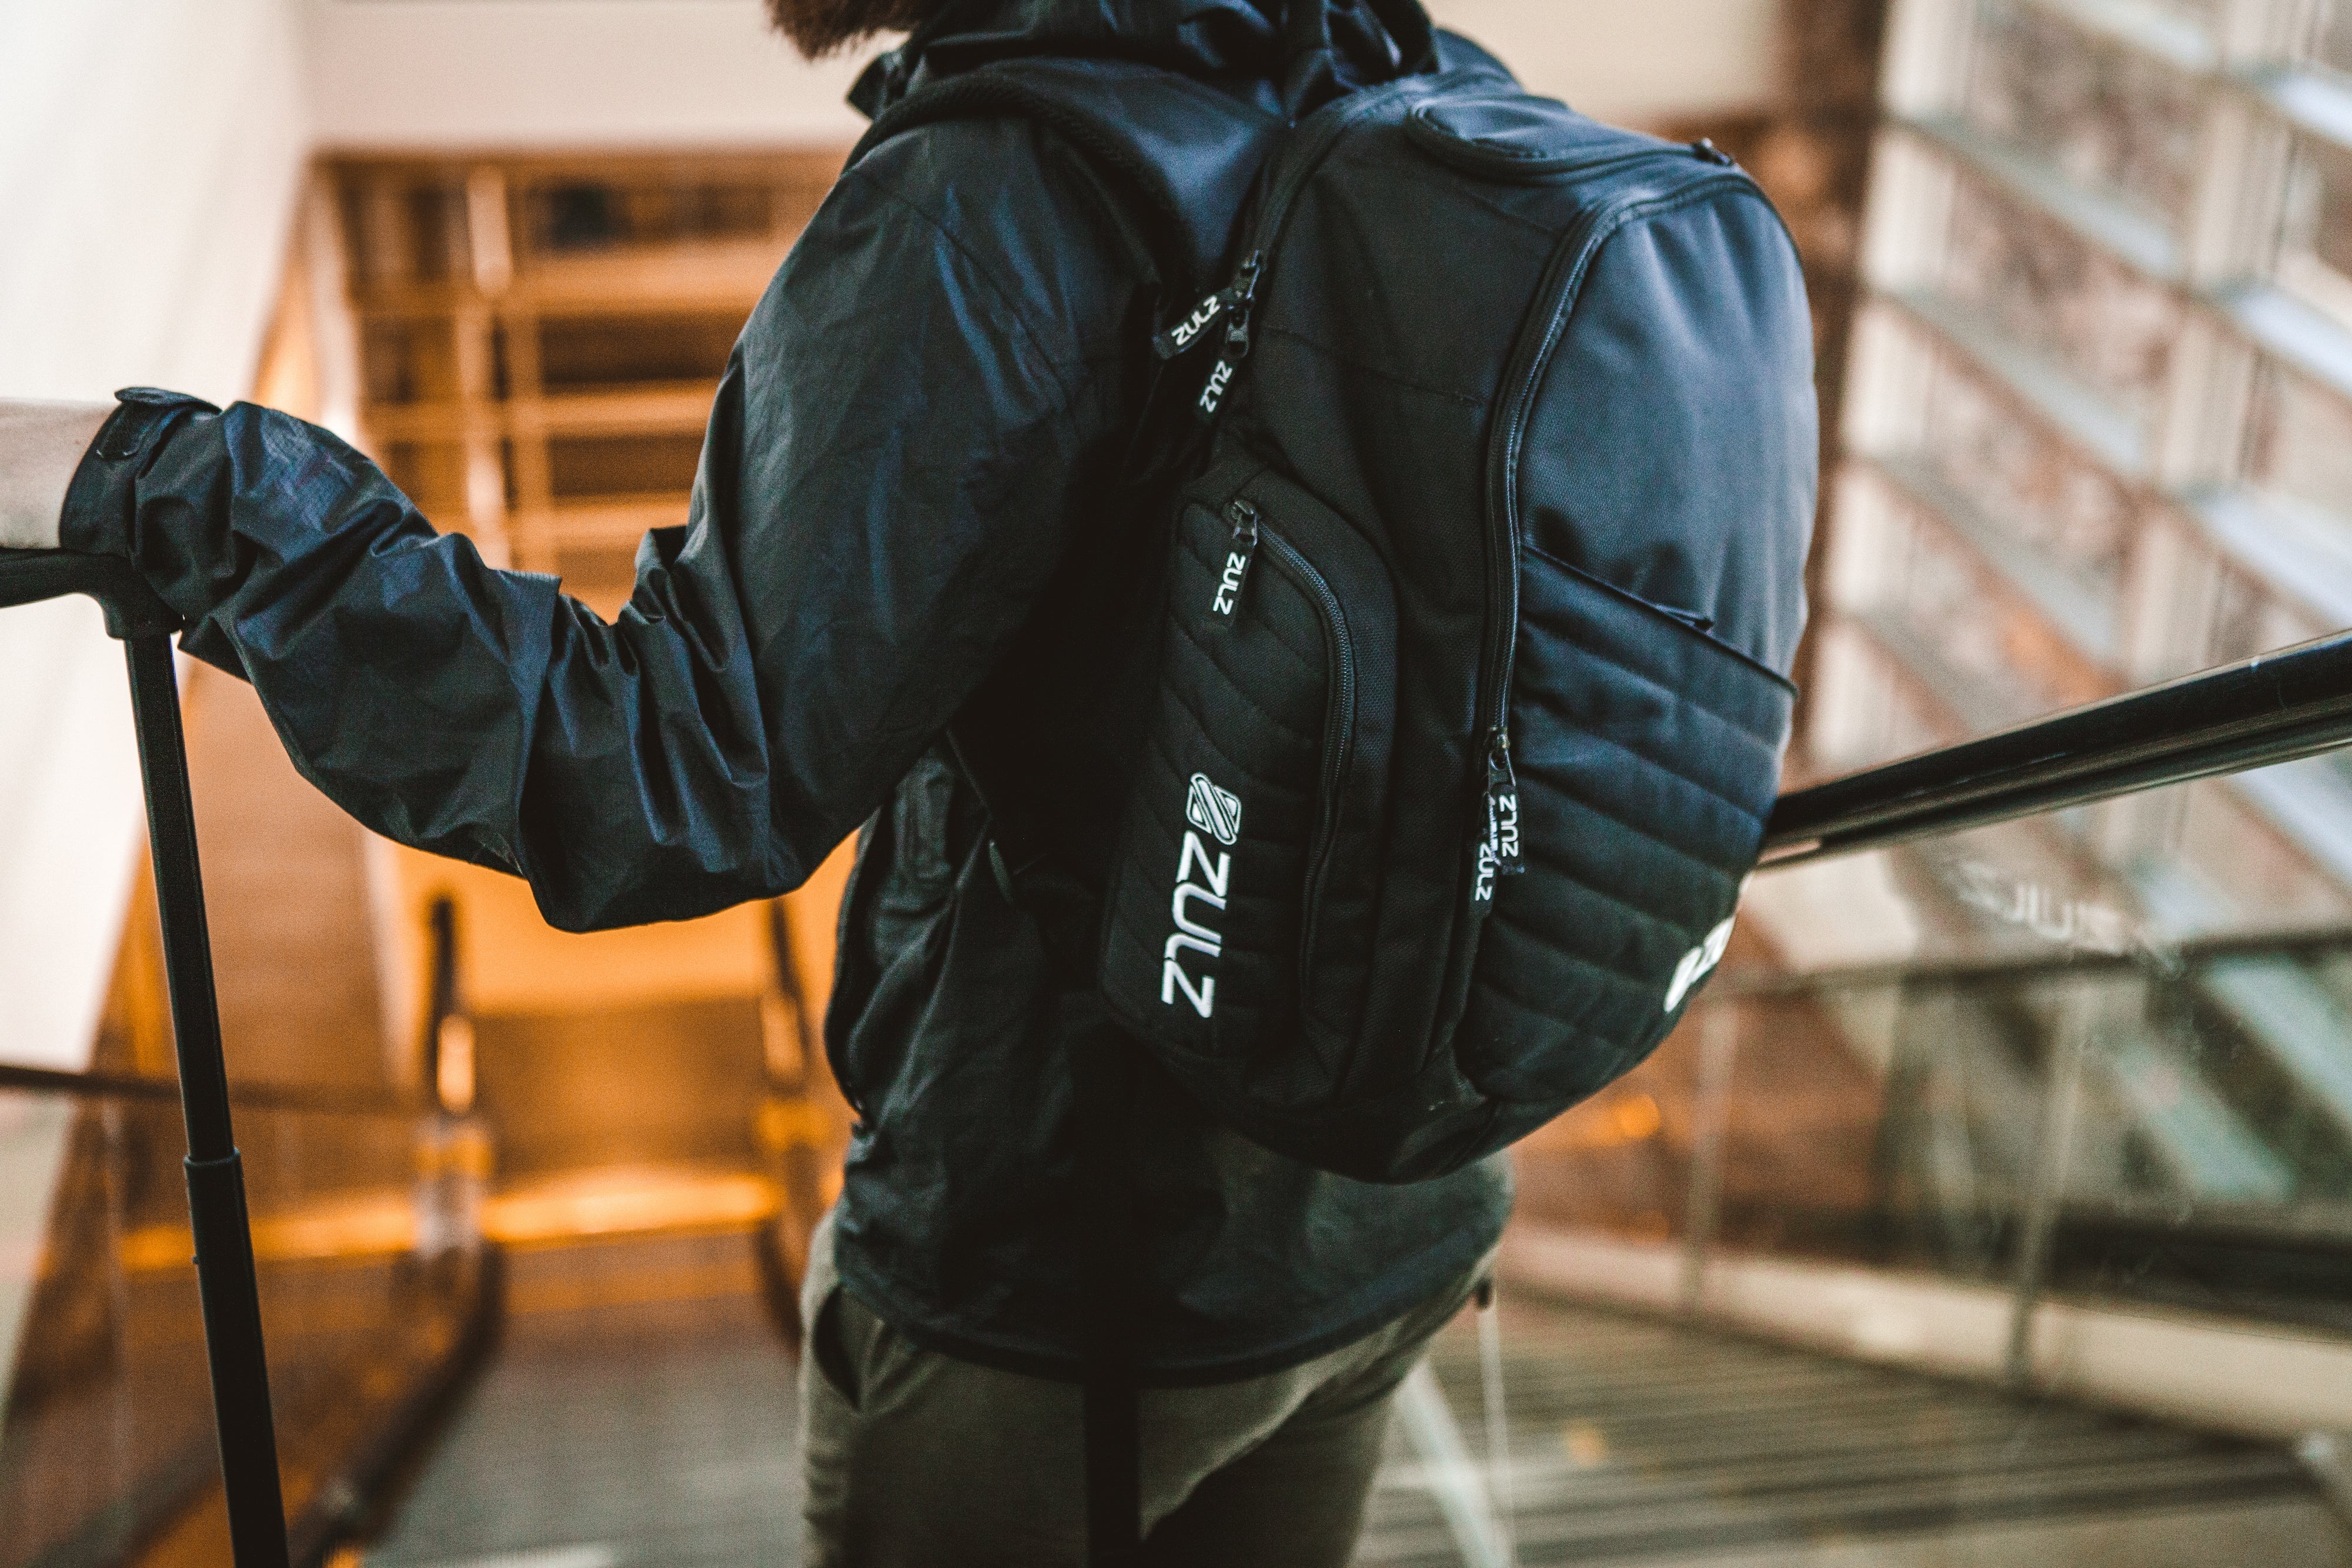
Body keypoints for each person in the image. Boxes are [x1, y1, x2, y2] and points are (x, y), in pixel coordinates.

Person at [0, 1, 1510, 1561]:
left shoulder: (1002, 198)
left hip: (1075, 1284)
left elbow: (671, 765)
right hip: (1401, 1202)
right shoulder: (1409, 84)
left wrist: (178, 486)